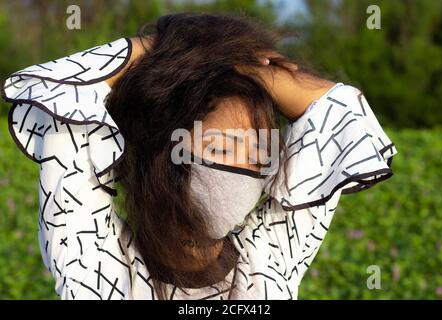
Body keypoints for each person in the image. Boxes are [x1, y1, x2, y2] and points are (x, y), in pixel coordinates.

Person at [1, 12, 397, 300]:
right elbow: (54, 92)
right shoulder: (98, 265)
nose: (244, 166)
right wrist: (175, 50)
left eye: (258, 150)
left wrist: (245, 66)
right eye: (221, 147)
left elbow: (342, 113)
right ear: (162, 152)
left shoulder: (268, 258)